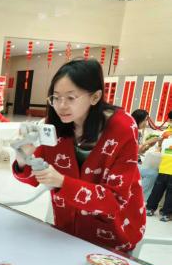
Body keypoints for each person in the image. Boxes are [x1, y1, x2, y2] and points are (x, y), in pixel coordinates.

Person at [13, 59, 145, 252]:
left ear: (95, 97)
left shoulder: (123, 128)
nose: (61, 106)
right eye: (56, 97)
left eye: (71, 98)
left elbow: (115, 200)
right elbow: (33, 177)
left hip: (113, 236)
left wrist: (62, 182)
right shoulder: (55, 124)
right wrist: (23, 158)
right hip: (67, 231)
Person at [146, 112, 172, 221]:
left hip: (165, 167)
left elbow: (161, 147)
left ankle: (163, 212)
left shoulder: (166, 133)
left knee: (166, 192)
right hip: (164, 166)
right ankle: (154, 209)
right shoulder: (166, 133)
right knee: (159, 190)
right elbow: (160, 146)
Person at [133, 109, 161, 199]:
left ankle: (139, 197)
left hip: (136, 162)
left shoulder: (138, 133)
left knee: (153, 173)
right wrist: (146, 143)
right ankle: (139, 197)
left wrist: (149, 145)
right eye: (145, 120)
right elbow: (132, 151)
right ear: (139, 119)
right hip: (128, 163)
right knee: (152, 174)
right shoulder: (131, 131)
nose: (146, 123)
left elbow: (140, 151)